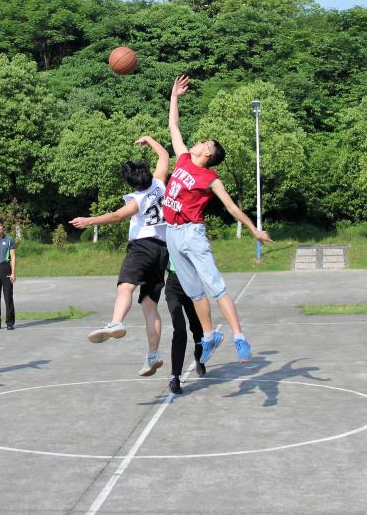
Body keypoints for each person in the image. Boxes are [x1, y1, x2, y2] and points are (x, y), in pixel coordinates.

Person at [164, 75, 272, 365]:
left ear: (208, 152)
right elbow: (173, 126)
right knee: (194, 292)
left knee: (215, 286)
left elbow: (232, 208)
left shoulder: (210, 178)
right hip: (172, 233)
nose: (198, 141)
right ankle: (210, 335)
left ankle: (239, 336)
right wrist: (174, 97)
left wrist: (253, 230)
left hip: (191, 233)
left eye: (204, 142)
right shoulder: (183, 159)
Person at [71, 136, 170, 377]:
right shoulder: (160, 184)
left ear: (132, 184)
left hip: (142, 247)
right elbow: (164, 156)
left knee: (125, 287)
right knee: (150, 306)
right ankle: (153, 354)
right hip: (162, 250)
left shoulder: (137, 200)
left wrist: (89, 220)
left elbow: (116, 216)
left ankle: (116, 321)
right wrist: (150, 140)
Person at [163, 262, 205, 395]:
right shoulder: (167, 246)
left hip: (191, 282)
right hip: (173, 284)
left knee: (197, 326)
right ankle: (174, 376)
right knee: (180, 329)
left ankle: (199, 355)